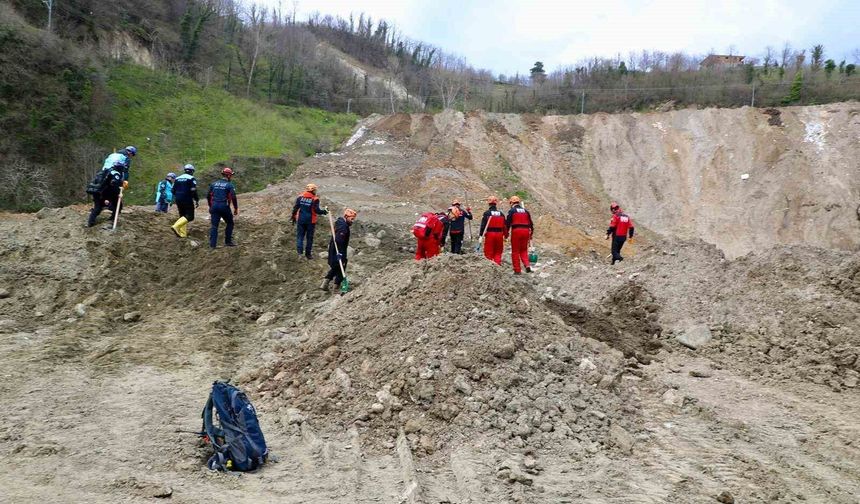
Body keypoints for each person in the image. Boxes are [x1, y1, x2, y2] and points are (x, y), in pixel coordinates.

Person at [321, 208, 358, 293]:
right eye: (351, 219)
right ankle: (336, 288)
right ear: (346, 216)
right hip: (338, 250)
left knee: (336, 267)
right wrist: (340, 254)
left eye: (353, 219)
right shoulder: (343, 227)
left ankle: (324, 284)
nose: (353, 221)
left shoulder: (340, 223)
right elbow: (339, 240)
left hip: (334, 249)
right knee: (341, 267)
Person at [291, 183, 328, 259]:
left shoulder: (300, 197)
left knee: (300, 237)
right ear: (313, 190)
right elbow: (317, 210)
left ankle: (300, 253)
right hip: (310, 221)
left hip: (301, 220)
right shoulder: (315, 199)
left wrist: (293, 217)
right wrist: (324, 211)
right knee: (309, 238)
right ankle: (308, 254)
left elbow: (296, 208)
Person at [208, 167, 239, 249]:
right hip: (223, 206)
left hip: (214, 206)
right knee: (230, 223)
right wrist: (235, 208)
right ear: (228, 176)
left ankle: (212, 245)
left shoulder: (214, 184)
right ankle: (228, 241)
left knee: (214, 226)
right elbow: (233, 197)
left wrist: (210, 206)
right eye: (231, 175)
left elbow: (208, 196)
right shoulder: (229, 185)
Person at [86, 163, 124, 227]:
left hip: (97, 191)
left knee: (97, 208)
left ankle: (90, 223)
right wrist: (119, 193)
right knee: (118, 205)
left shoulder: (107, 171)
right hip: (105, 193)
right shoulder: (116, 174)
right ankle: (113, 219)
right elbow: (114, 184)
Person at [506, 195, 534, 274]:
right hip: (526, 231)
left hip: (516, 231)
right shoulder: (526, 211)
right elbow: (531, 224)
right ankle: (527, 265)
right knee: (524, 250)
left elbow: (507, 223)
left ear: (511, 203)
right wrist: (531, 234)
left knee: (515, 251)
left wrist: (506, 234)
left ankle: (517, 270)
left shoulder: (512, 211)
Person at [171, 164, 199, 238]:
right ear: (192, 171)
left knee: (183, 216)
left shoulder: (177, 178)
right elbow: (193, 190)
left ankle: (183, 234)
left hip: (178, 199)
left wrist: (178, 195)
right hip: (187, 199)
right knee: (190, 216)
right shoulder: (191, 178)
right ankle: (176, 226)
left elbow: (172, 190)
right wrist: (196, 199)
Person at [478, 196, 507, 265]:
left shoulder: (487, 213)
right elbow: (504, 226)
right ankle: (497, 265)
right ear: (496, 204)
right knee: (498, 252)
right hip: (500, 234)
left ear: (489, 203)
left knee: (488, 252)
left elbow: (483, 226)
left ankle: (490, 267)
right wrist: (506, 235)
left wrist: (481, 235)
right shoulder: (501, 214)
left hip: (490, 234)